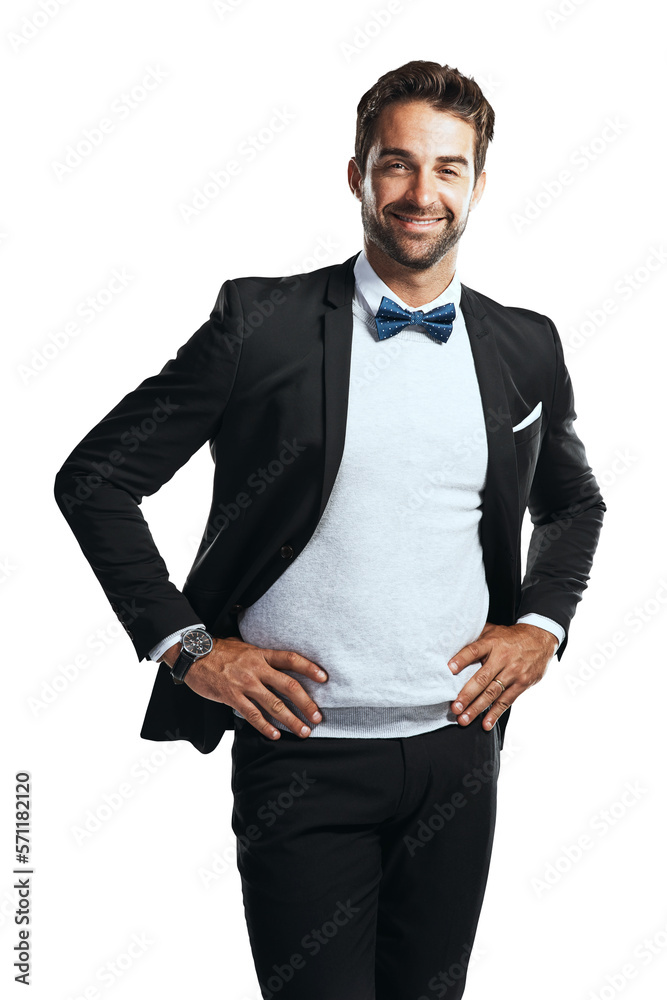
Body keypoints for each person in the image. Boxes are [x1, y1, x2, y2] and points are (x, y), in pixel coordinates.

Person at [54, 60, 606, 1000]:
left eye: (447, 168)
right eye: (395, 164)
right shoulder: (257, 323)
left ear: (477, 183)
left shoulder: (525, 343)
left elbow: (573, 503)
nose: (420, 192)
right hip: (301, 756)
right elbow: (97, 480)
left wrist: (541, 626)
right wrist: (190, 648)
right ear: (356, 175)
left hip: (457, 753)